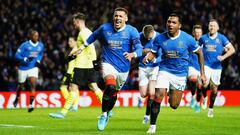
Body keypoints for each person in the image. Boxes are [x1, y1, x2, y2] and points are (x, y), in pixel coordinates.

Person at [71, 7, 142, 131]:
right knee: (110, 86)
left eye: (120, 16)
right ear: (113, 17)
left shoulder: (132, 31)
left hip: (124, 68)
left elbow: (139, 49)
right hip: (107, 63)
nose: (117, 18)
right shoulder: (105, 28)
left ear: (126, 18)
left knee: (114, 94)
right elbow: (93, 36)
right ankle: (103, 115)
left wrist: (133, 54)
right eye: (116, 15)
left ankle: (108, 112)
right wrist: (82, 47)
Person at [143, 13, 207, 134]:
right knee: (158, 95)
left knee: (174, 105)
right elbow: (153, 53)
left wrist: (202, 73)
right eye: (169, 22)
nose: (170, 24)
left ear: (179, 25)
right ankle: (152, 126)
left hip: (180, 74)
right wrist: (148, 57)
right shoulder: (160, 38)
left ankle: (168, 92)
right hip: (164, 70)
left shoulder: (187, 39)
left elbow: (200, 53)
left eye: (173, 22)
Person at [49, 12, 103, 118]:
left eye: (74, 23)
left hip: (82, 65)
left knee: (72, 88)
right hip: (88, 65)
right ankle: (108, 109)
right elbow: (88, 48)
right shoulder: (87, 31)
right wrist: (92, 61)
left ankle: (63, 112)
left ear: (78, 22)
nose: (74, 25)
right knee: (94, 87)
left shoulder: (83, 33)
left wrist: (92, 61)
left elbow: (90, 47)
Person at [199, 19, 235, 117]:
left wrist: (223, 57)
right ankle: (205, 97)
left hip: (217, 67)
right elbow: (197, 49)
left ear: (218, 28)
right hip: (206, 65)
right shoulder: (203, 38)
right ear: (208, 27)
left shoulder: (222, 38)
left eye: (214, 26)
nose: (212, 27)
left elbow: (232, 49)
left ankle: (210, 108)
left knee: (214, 89)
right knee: (204, 83)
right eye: (211, 25)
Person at [13, 29, 44, 112]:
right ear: (30, 36)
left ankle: (31, 104)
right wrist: (24, 58)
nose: (36, 37)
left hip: (33, 68)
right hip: (23, 68)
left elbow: (40, 54)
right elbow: (16, 55)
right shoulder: (25, 45)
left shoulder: (40, 45)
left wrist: (38, 61)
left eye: (37, 36)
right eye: (35, 36)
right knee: (21, 86)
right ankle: (17, 97)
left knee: (33, 85)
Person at [138, 25, 161, 124]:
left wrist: (154, 59)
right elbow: (136, 51)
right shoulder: (139, 36)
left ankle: (147, 115)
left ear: (153, 32)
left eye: (149, 37)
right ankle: (141, 99)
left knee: (152, 94)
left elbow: (162, 55)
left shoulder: (159, 38)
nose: (147, 39)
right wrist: (145, 51)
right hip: (142, 67)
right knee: (143, 94)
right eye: (145, 37)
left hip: (154, 68)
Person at [60, 37, 79, 111]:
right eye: (68, 41)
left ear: (76, 41)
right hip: (70, 71)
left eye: (71, 41)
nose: (69, 43)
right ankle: (74, 105)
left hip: (72, 71)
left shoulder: (76, 50)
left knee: (64, 87)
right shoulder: (73, 50)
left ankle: (72, 104)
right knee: (72, 88)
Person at [186, 24, 203, 112]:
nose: (197, 34)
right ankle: (193, 96)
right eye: (196, 32)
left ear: (201, 33)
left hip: (200, 67)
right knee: (193, 79)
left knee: (200, 86)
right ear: (193, 33)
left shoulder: (205, 41)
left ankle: (197, 102)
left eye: (199, 32)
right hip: (191, 66)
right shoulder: (190, 41)